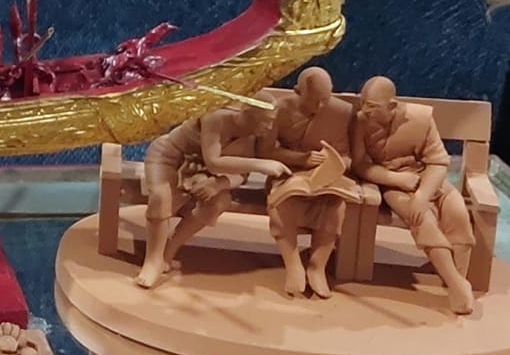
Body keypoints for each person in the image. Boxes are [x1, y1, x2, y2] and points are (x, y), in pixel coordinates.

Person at [353, 75, 476, 314]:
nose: (366, 111)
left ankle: (457, 276)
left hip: (428, 179)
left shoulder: (420, 119)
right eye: (363, 103)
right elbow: (359, 165)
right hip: (393, 184)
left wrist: (423, 194)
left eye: (373, 107)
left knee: (457, 212)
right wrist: (395, 179)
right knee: (421, 217)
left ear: (392, 106)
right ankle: (455, 283)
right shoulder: (360, 122)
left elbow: (438, 162)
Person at [135, 101, 289, 289]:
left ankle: (168, 252)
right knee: (161, 197)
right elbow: (214, 162)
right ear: (247, 115)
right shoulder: (215, 117)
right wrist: (261, 165)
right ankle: (152, 260)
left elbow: (242, 174)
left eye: (271, 122)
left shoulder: (252, 139)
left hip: (202, 173)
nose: (269, 127)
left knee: (218, 203)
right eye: (265, 121)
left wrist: (219, 184)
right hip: (170, 158)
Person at [262, 67, 361, 298]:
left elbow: (347, 156)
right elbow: (265, 150)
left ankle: (317, 266)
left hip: (326, 178)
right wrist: (302, 159)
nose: (320, 106)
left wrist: (336, 163)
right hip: (288, 173)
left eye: (325, 99)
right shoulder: (280, 110)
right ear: (298, 91)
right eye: (314, 100)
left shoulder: (341, 112)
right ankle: (293, 263)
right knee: (282, 202)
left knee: (335, 205)